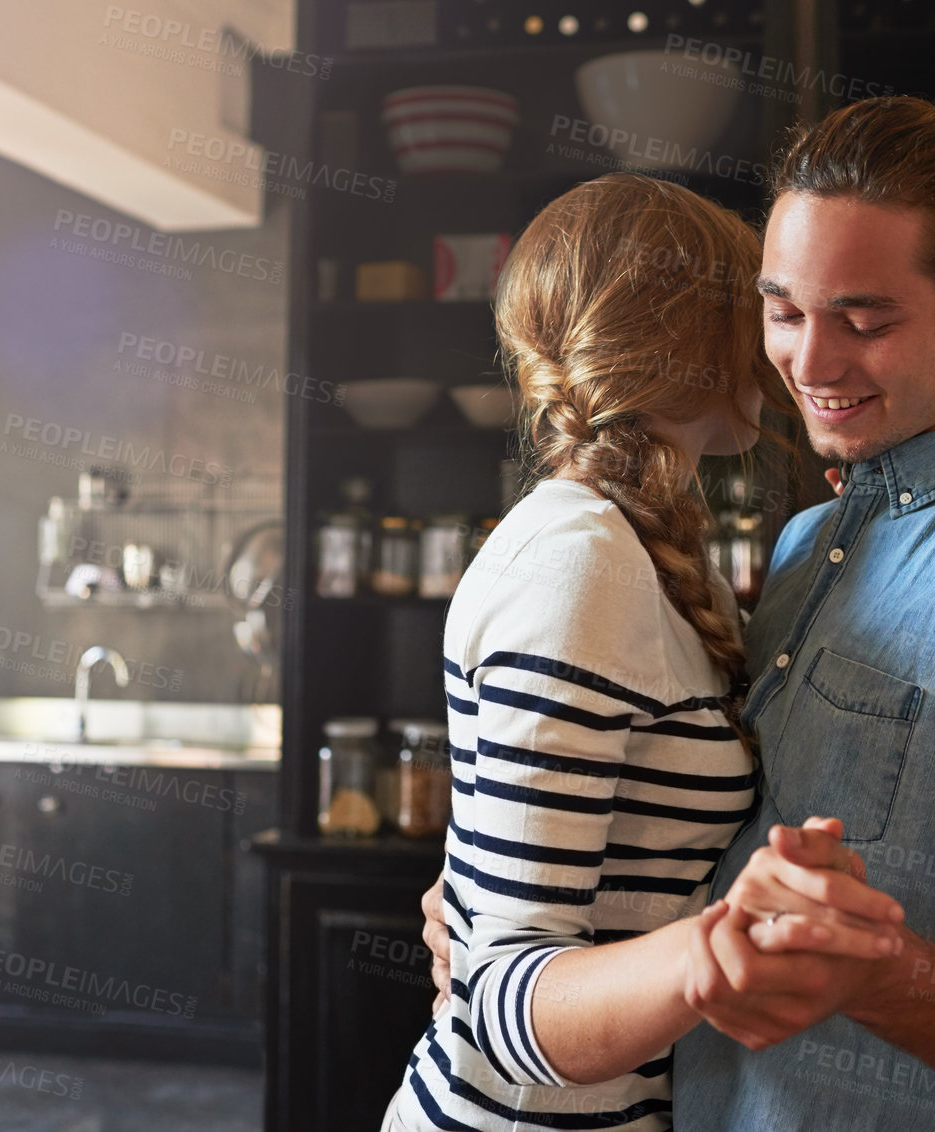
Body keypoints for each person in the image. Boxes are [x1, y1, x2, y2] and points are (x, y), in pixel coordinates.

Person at [424, 96, 935, 1132]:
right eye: (783, 310)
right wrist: (497, 937)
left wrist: (880, 971)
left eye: (864, 318)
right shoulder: (806, 547)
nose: (809, 362)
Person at [381, 173, 903, 1132]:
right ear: (688, 338)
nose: (784, 351)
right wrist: (721, 948)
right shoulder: (574, 563)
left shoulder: (641, 546)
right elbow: (503, 1005)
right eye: (764, 310)